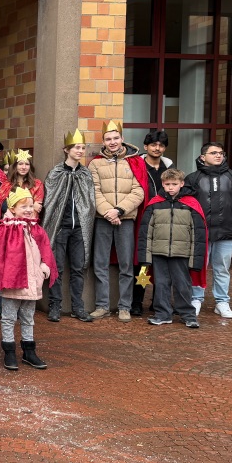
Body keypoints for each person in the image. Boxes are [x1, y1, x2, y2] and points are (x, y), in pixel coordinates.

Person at [0, 188, 58, 371]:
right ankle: (9, 351)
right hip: (12, 281)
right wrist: (0, 277)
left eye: (30, 206)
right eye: (23, 206)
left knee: (28, 317)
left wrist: (45, 267)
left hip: (32, 281)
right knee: (9, 318)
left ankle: (29, 351)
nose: (28, 210)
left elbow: (46, 250)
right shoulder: (5, 229)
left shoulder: (36, 229)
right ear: (12, 208)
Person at [185, 141, 232, 318]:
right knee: (197, 267)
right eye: (213, 153)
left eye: (221, 153)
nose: (218, 155)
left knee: (222, 268)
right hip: (200, 232)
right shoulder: (193, 178)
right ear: (203, 157)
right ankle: (196, 299)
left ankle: (222, 302)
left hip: (226, 231)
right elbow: (186, 203)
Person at [88, 120, 145, 322]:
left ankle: (124, 306)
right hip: (103, 219)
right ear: (103, 141)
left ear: (122, 139)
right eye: (108, 139)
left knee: (126, 265)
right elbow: (93, 191)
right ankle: (102, 305)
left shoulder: (135, 162)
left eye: (115, 138)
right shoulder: (95, 164)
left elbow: (139, 191)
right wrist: (108, 212)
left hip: (125, 219)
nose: (112, 142)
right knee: (100, 263)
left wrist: (119, 210)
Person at [137, 168, 207, 328]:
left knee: (183, 285)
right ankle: (163, 314)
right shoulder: (155, 204)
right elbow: (146, 232)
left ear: (182, 184)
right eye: (167, 184)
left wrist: (196, 259)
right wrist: (145, 257)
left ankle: (187, 315)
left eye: (174, 184)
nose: (170, 187)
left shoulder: (191, 204)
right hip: (158, 252)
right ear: (162, 184)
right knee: (161, 285)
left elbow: (198, 233)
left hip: (181, 253)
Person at [42, 129, 96, 323]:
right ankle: (55, 305)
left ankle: (78, 307)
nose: (80, 151)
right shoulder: (56, 173)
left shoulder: (85, 174)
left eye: (82, 147)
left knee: (78, 268)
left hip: (79, 228)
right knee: (56, 267)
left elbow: (89, 202)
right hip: (60, 227)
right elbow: (50, 201)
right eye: (76, 148)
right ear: (66, 150)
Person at [131, 129, 173, 316]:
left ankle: (158, 302)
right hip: (143, 219)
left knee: (162, 263)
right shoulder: (138, 166)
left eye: (161, 145)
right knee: (143, 263)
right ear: (146, 146)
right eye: (154, 144)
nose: (157, 148)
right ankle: (137, 301)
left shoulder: (168, 168)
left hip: (164, 222)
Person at [0, 149, 44, 216]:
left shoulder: (37, 184)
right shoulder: (7, 184)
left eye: (27, 164)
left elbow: (37, 208)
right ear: (15, 166)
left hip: (30, 219)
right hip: (10, 219)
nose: (24, 167)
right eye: (20, 164)